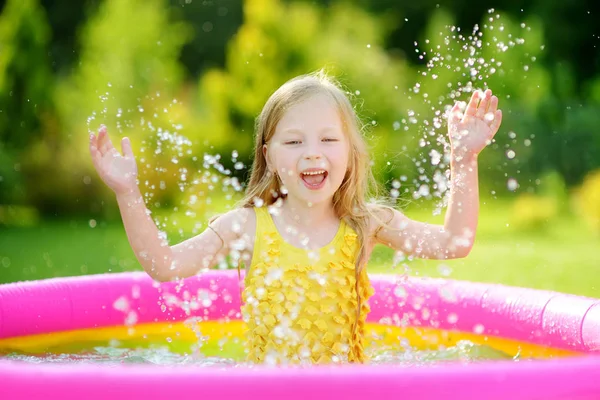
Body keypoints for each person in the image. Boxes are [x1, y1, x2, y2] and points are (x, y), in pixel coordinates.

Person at [89, 71, 502, 365]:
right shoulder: (247, 225)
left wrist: (462, 159)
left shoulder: (364, 223)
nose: (312, 152)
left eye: (327, 139)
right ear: (269, 157)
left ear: (350, 151)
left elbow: (454, 243)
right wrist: (128, 192)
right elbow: (165, 266)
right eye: (293, 141)